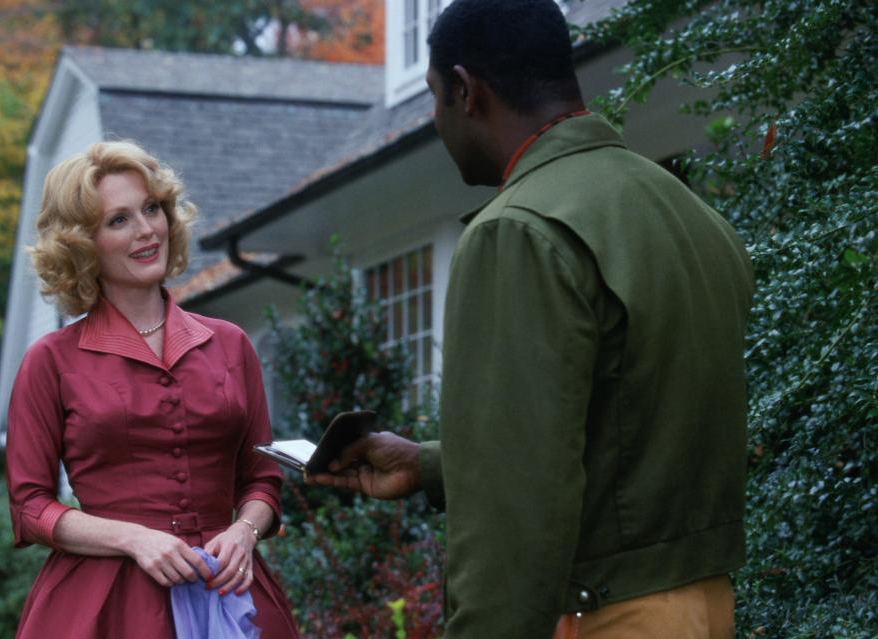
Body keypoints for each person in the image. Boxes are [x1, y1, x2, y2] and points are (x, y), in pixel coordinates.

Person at [310, 1, 755, 637]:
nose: (437, 121)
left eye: (436, 97)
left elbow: (513, 518)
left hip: (602, 614)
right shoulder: (685, 212)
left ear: (466, 90)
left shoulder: (519, 232)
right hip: (703, 606)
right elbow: (629, 433)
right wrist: (434, 465)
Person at [5, 141, 299, 638]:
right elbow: (30, 506)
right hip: (104, 605)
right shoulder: (50, 361)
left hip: (230, 593)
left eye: (151, 209)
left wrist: (244, 532)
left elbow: (263, 480)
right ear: (83, 243)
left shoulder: (230, 345)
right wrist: (134, 539)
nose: (146, 230)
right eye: (118, 220)